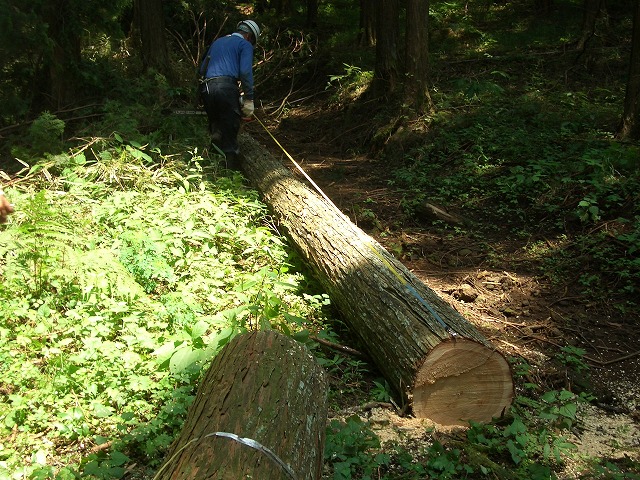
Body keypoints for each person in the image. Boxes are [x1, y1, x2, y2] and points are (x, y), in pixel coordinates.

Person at [199, 19, 260, 170]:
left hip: (207, 87)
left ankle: (213, 168)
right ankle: (230, 175)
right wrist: (249, 99)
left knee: (216, 128)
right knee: (230, 128)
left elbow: (201, 69)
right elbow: (245, 72)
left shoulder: (218, 42)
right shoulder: (244, 45)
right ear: (249, 36)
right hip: (225, 87)